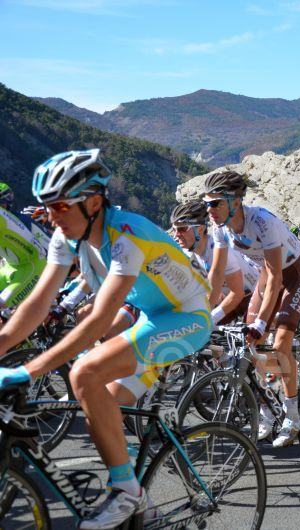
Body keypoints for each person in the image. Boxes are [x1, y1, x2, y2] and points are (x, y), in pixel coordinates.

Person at [0, 149, 211, 528]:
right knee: (99, 404)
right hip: (150, 319)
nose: (51, 217)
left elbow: (99, 319)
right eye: (47, 207)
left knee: (84, 373)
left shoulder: (125, 234)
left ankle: (126, 491)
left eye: (61, 205)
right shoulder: (68, 238)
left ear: (93, 202)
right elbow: (35, 305)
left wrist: (28, 371)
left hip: (188, 319)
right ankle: (142, 505)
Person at [203, 170, 300, 448]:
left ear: (235, 202)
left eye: (215, 203)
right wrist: (204, 313)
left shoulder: (262, 221)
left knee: (281, 342)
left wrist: (263, 322)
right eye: (207, 203)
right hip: (267, 274)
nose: (210, 209)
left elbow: (277, 277)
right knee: (251, 345)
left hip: (293, 273)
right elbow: (216, 273)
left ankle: (293, 416)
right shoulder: (219, 228)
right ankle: (267, 409)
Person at [170, 200, 260, 326]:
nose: (176, 235)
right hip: (228, 298)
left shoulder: (218, 251)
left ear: (200, 230)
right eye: (174, 230)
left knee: (249, 339)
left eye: (182, 229)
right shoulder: (190, 255)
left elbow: (237, 293)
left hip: (253, 295)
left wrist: (211, 317)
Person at [0, 182, 48, 311]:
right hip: (9, 266)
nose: (7, 204)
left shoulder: (25, 220)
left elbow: (49, 244)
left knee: (4, 307)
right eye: (6, 200)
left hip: (31, 266)